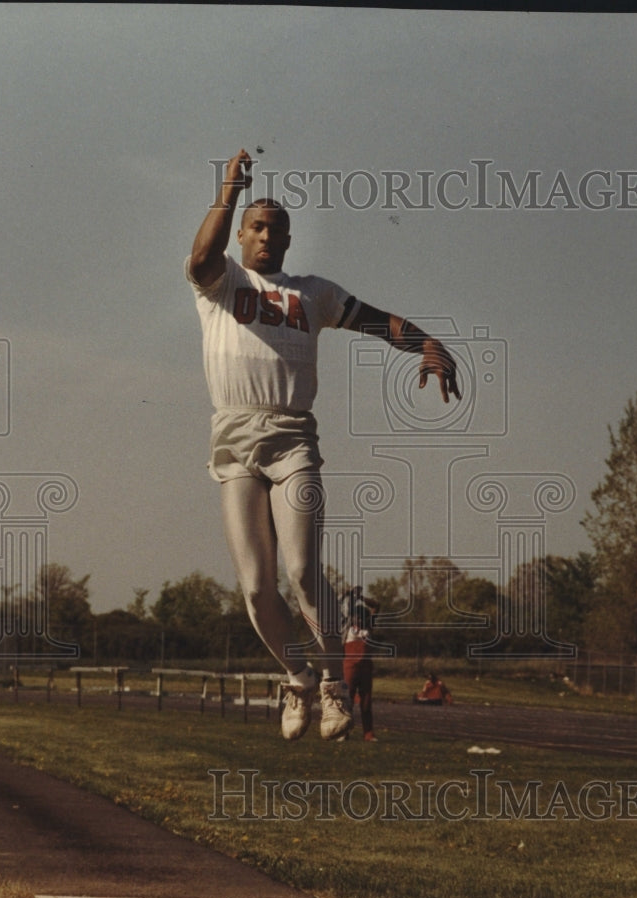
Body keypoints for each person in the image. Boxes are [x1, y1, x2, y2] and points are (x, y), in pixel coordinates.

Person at [185, 149, 461, 742]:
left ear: (288, 241)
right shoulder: (222, 282)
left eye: (276, 230)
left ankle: (334, 685)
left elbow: (379, 321)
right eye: (256, 227)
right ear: (242, 234)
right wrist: (230, 188)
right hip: (234, 441)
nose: (265, 237)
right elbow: (202, 255)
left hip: (292, 441)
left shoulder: (312, 293)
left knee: (304, 568)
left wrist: (426, 343)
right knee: (258, 587)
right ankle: (298, 676)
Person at [340, 586, 380, 742]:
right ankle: (343, 731)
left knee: (366, 702)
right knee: (347, 700)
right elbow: (339, 605)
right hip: (349, 666)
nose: (360, 619)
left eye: (362, 616)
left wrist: (361, 598)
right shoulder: (347, 627)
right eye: (357, 616)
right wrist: (348, 594)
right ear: (352, 617)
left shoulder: (368, 627)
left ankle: (368, 733)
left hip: (365, 667)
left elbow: (376, 606)